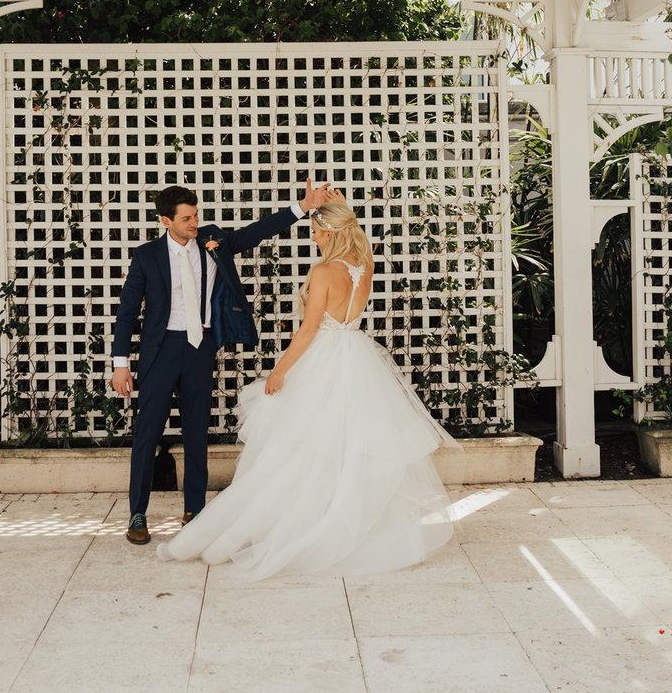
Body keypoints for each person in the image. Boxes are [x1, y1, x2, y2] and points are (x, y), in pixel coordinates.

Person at [156, 193, 459, 578]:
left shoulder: (324, 272)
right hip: (356, 356)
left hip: (324, 359)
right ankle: (336, 519)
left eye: (316, 231)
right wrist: (340, 208)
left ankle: (262, 531)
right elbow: (356, 248)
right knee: (344, 449)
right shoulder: (364, 265)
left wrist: (279, 371)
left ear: (330, 233)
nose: (313, 237)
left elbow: (309, 330)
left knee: (294, 451)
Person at [109, 178, 335, 545]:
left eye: (196, 215)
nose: (194, 223)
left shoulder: (211, 239)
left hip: (200, 348)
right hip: (161, 352)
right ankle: (138, 514)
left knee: (196, 432)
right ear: (165, 221)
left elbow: (255, 232)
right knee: (147, 433)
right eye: (186, 219)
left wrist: (303, 207)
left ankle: (194, 511)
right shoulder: (147, 256)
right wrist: (120, 363)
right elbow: (127, 311)